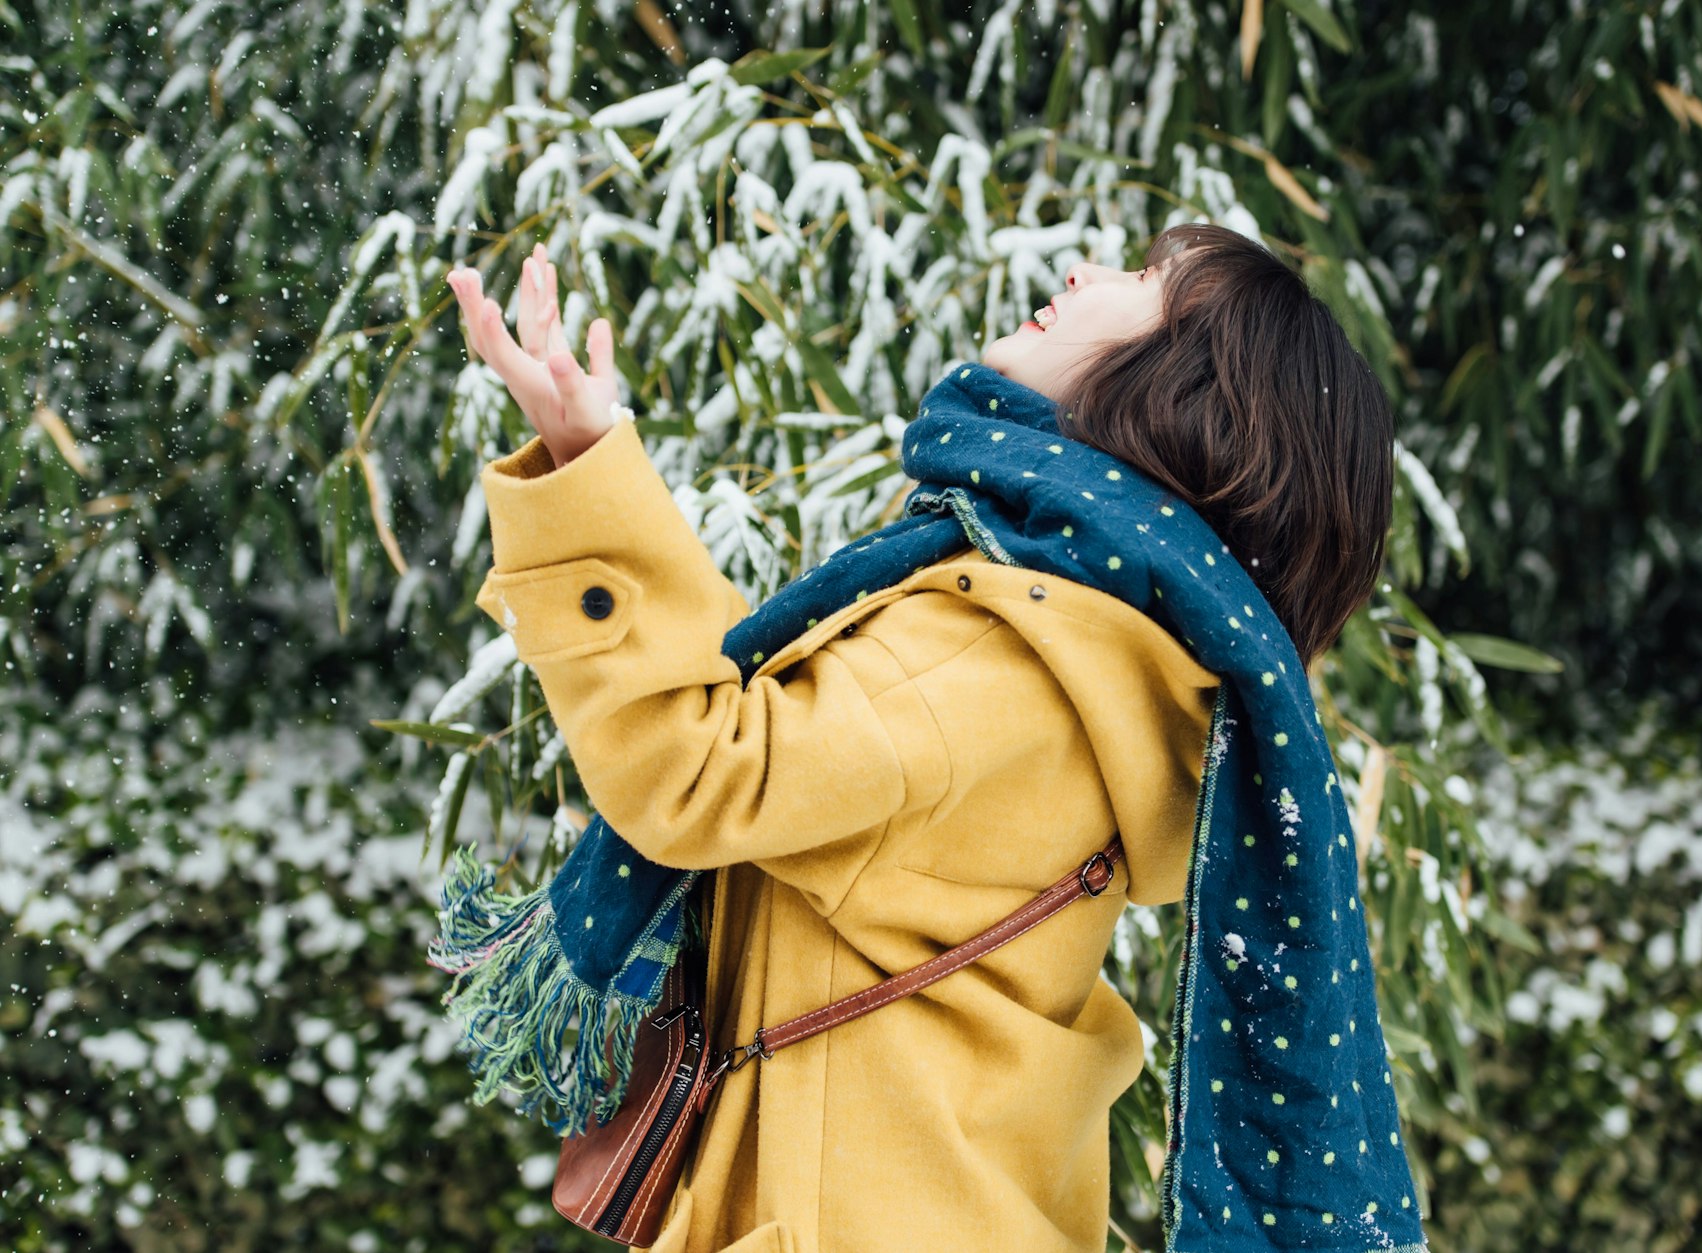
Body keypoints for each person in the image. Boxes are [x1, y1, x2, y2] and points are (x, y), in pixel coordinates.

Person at [442, 222, 1396, 1253]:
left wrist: (587, 480)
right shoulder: (1106, 664)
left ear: (1196, 392)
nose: (1082, 270)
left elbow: (700, 765)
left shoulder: (1010, 649)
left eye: (1150, 281)